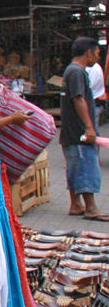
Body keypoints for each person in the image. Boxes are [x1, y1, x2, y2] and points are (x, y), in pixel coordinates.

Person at [61, 37, 104, 220]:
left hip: (70, 132)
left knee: (75, 167)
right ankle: (91, 207)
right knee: (86, 165)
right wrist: (89, 127)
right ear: (89, 53)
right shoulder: (77, 72)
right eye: (98, 53)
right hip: (79, 132)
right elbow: (79, 99)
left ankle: (76, 204)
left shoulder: (71, 71)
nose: (98, 58)